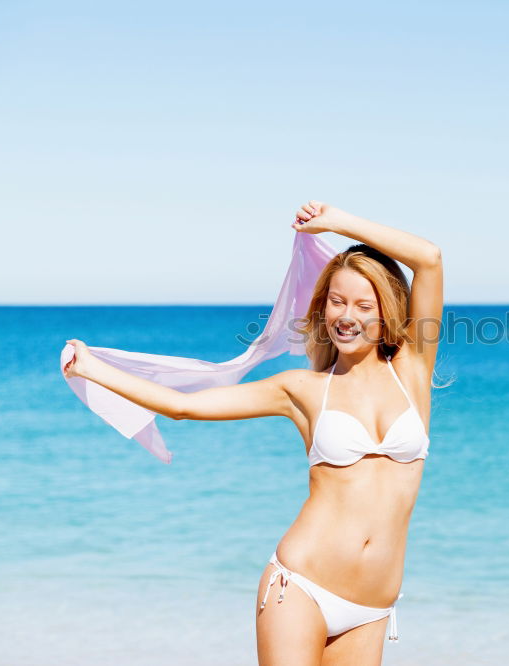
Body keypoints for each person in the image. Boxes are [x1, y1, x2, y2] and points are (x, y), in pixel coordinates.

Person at [62, 200, 443, 666]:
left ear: (387, 313)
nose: (347, 315)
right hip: (300, 586)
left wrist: (337, 222)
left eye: (365, 305)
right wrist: (93, 368)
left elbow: (428, 258)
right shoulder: (301, 389)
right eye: (336, 302)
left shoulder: (413, 371)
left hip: (370, 607)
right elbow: (186, 406)